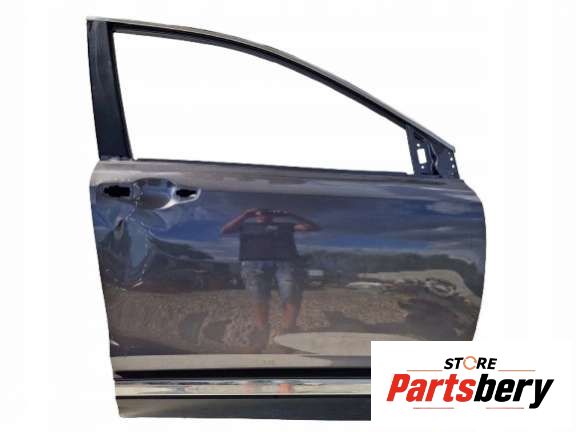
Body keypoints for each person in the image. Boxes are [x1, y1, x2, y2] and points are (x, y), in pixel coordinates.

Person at [221, 208, 320, 351]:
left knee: (291, 296)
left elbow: (313, 227)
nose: (263, 214)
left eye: (267, 212)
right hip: (253, 263)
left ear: (273, 214)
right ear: (255, 214)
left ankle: (288, 333)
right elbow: (225, 230)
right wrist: (245, 215)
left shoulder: (286, 225)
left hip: (285, 263)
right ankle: (261, 334)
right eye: (259, 212)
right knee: (259, 298)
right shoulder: (246, 225)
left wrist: (291, 214)